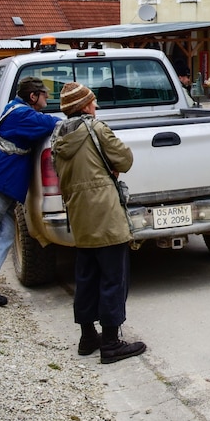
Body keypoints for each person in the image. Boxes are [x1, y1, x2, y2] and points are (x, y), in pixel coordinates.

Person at [51, 82, 147, 363]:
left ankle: (86, 336)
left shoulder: (58, 135)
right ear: (84, 106)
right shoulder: (96, 128)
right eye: (92, 102)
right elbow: (125, 159)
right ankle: (111, 342)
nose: (96, 106)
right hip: (105, 211)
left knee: (86, 275)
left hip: (78, 213)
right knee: (113, 277)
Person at [0, 77, 60, 306]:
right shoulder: (23, 115)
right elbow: (51, 124)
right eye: (44, 94)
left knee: (5, 233)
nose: (47, 98)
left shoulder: (13, 108)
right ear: (33, 96)